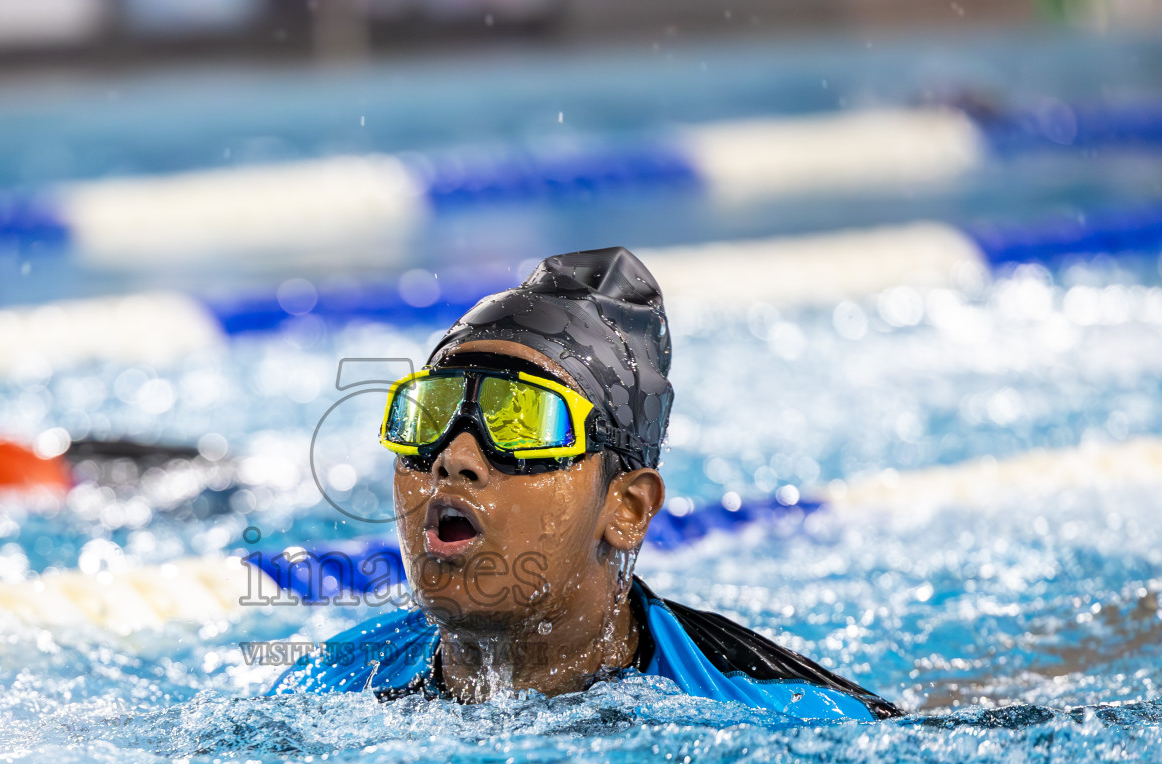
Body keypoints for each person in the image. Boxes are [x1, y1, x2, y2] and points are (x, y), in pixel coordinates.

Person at [272, 247, 899, 721]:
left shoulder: (776, 711)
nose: (454, 457)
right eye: (428, 416)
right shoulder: (327, 688)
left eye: (521, 422)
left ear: (627, 507)